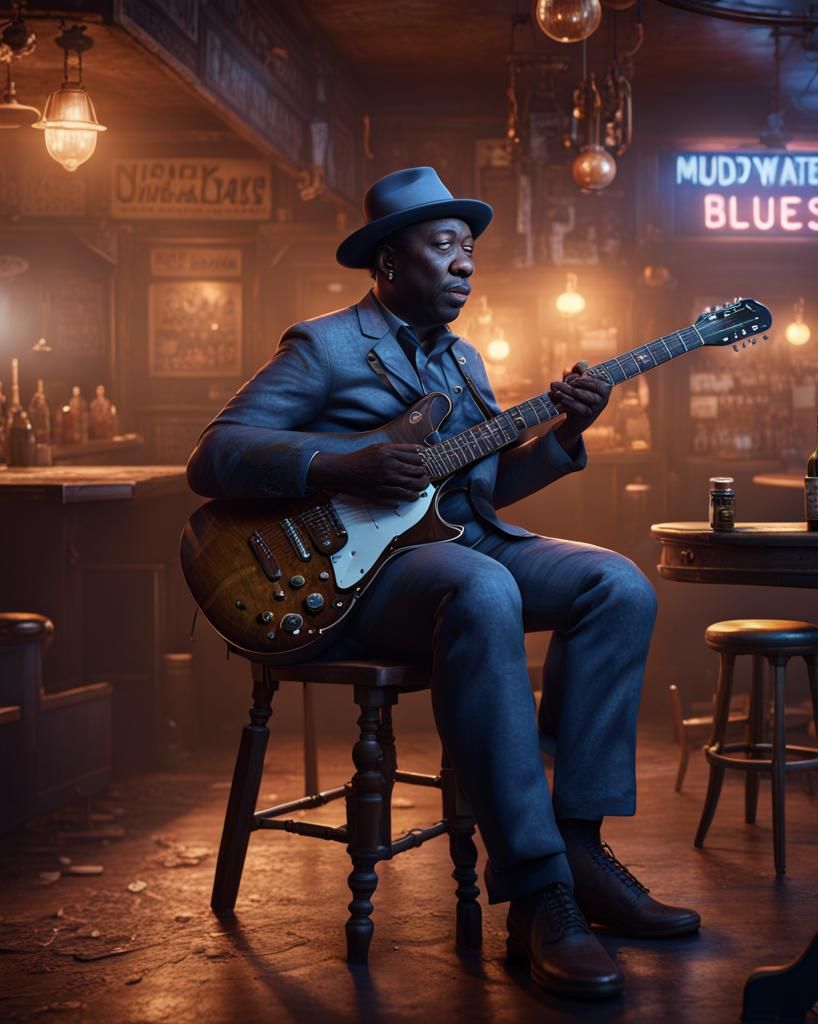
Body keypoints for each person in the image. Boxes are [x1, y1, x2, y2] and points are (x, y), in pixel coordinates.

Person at [186, 166, 699, 1000]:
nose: (466, 264)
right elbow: (212, 455)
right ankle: (539, 899)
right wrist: (343, 463)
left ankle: (578, 850)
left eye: (470, 250)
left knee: (618, 584)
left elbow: (481, 493)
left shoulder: (464, 361)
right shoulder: (326, 345)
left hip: (461, 548)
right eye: (445, 247)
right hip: (357, 578)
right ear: (388, 262)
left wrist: (569, 434)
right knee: (482, 587)